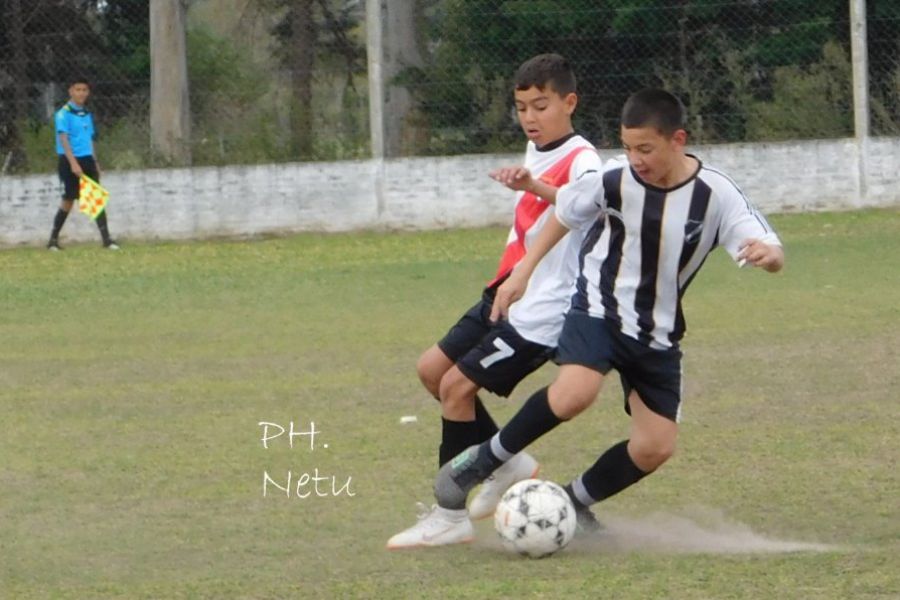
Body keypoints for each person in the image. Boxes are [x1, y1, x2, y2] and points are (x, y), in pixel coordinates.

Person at [433, 88, 785, 535]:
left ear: (678, 140)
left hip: (655, 333)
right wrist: (523, 271)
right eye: (628, 148)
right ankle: (480, 462)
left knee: (655, 447)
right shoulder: (614, 178)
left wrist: (769, 258)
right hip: (598, 308)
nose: (636, 159)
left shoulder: (715, 194)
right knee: (574, 393)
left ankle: (574, 502)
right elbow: (565, 212)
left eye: (646, 149)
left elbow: (767, 246)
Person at [387, 53, 603, 549]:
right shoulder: (539, 149)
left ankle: (448, 513)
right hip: (507, 288)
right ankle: (508, 465)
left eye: (541, 106)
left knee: (457, 388)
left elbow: (581, 208)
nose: (530, 117)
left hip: (544, 307)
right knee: (432, 371)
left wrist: (537, 191)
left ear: (569, 102)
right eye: (522, 107)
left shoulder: (585, 160)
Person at [47, 77, 118, 251]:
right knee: (68, 200)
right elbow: (63, 139)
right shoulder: (63, 114)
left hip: (87, 159)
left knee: (95, 198)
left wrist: (95, 161)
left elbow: (90, 139)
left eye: (84, 90)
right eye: (77, 89)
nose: (81, 93)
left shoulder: (86, 114)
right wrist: (73, 163)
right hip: (69, 160)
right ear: (70, 91)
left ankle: (107, 240)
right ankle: (53, 240)